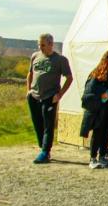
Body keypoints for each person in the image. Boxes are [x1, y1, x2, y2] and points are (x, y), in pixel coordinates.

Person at [26, 33, 73, 164]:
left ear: (51, 44)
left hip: (50, 96)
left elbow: (69, 78)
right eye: (39, 45)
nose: (40, 47)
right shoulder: (35, 56)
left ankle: (45, 152)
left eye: (43, 45)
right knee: (38, 124)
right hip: (34, 96)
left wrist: (60, 94)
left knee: (48, 125)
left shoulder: (60, 60)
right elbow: (30, 74)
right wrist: (28, 91)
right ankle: (43, 148)